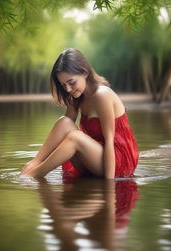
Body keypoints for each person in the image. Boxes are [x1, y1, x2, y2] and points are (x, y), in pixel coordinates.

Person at [21, 48, 138, 179]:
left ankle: (36, 174)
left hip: (118, 161)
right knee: (64, 122)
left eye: (71, 82)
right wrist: (38, 159)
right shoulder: (76, 96)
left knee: (75, 137)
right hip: (95, 156)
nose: (68, 89)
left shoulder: (102, 96)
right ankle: (36, 163)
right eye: (63, 85)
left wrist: (109, 187)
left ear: (85, 73)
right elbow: (63, 130)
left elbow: (110, 143)